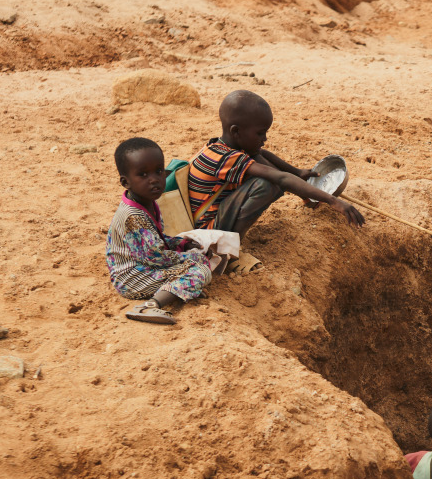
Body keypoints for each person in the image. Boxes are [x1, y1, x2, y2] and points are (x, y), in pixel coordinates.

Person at [186, 89, 365, 237]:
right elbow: (278, 178)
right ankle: (230, 246)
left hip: (214, 217)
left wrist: (297, 173)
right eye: (260, 133)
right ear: (236, 131)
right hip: (206, 232)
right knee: (266, 185)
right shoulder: (227, 159)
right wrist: (332, 201)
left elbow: (261, 155)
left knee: (269, 176)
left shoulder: (222, 146)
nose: (265, 138)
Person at [106, 137, 212, 325]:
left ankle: (177, 290)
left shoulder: (148, 203)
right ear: (126, 182)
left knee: (195, 258)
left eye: (159, 171)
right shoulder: (133, 216)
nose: (154, 180)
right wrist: (191, 257)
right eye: (143, 174)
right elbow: (154, 257)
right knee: (199, 270)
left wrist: (182, 243)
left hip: (143, 265)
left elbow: (157, 239)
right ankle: (150, 305)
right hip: (131, 278)